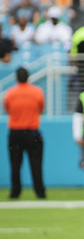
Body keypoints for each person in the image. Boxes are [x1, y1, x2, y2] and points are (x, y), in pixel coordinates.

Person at [4, 67, 46, 199]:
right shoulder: (37, 92)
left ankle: (15, 192)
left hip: (15, 132)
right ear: (28, 77)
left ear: (16, 78)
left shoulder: (10, 93)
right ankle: (40, 192)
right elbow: (41, 109)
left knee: (15, 164)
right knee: (36, 163)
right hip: (32, 132)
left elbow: (8, 109)